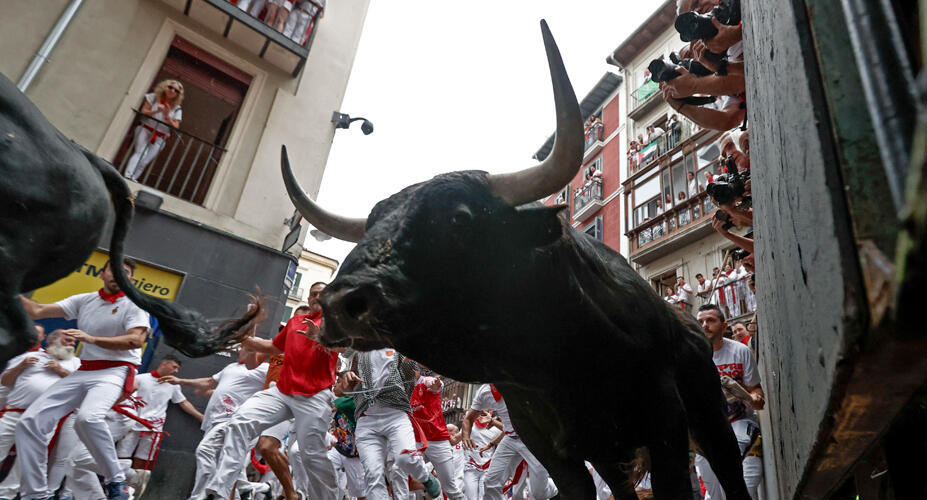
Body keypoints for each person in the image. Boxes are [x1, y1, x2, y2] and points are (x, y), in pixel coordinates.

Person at [16, 258, 149, 500]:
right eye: (114, 270)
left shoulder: (134, 304)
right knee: (30, 422)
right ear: (102, 273)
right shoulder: (85, 300)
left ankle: (116, 480)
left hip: (115, 370)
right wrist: (9, 288)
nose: (118, 275)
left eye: (125, 273)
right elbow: (37, 310)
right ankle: (34, 494)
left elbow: (136, 340)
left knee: (87, 418)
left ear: (130, 280)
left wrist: (91, 339)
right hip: (85, 371)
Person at [204, 282, 339, 500]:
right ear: (308, 299)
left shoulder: (335, 322)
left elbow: (341, 347)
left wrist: (319, 337)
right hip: (283, 391)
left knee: (311, 455)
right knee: (240, 421)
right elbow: (271, 348)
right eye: (313, 294)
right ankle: (219, 490)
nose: (317, 297)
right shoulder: (295, 322)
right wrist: (240, 337)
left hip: (313, 396)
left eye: (322, 294)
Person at [160, 347, 270, 500]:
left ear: (254, 352)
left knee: (205, 451)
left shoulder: (264, 369)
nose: (239, 351)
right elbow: (209, 382)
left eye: (244, 349)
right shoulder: (231, 367)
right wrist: (181, 381)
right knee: (226, 468)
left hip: (234, 421)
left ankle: (200, 496)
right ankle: (246, 490)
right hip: (215, 421)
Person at [338, 347, 442, 500]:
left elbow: (423, 371)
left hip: (396, 416)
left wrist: (421, 358)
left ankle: (425, 477)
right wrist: (347, 378)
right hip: (367, 421)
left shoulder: (399, 345)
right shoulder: (354, 350)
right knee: (372, 475)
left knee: (405, 458)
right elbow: (344, 388)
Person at [695, 304, 765, 500]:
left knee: (734, 446)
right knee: (714, 491)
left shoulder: (740, 351)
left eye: (710, 320)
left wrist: (756, 398)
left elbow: (755, 390)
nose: (704, 325)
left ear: (724, 324)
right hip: (706, 428)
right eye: (700, 321)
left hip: (739, 421)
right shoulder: (691, 357)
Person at [0, 329, 80, 497]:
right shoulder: (25, 357)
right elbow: (5, 382)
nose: (72, 344)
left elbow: (80, 388)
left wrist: (60, 370)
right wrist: (21, 367)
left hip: (44, 419)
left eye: (74, 342)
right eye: (68, 340)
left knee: (28, 459)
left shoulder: (76, 364)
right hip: (15, 413)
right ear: (53, 340)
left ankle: (6, 494)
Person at [115, 355, 202, 494]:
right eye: (174, 367)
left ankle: (133, 492)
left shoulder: (174, 385)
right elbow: (125, 396)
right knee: (121, 457)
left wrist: (200, 417)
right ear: (164, 364)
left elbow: (183, 402)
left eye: (178, 368)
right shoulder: (141, 378)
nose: (176, 371)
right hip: (132, 425)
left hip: (153, 429)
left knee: (143, 462)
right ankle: (117, 488)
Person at [462, 384, 558, 500]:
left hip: (532, 439)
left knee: (538, 494)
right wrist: (466, 436)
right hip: (509, 440)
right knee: (490, 483)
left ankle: (557, 485)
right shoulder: (484, 391)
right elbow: (468, 418)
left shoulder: (518, 382)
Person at [410, 369, 466, 499]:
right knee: (401, 476)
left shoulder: (425, 381)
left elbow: (437, 384)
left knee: (450, 489)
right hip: (418, 441)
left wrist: (437, 384)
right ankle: (428, 485)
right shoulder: (403, 388)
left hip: (438, 442)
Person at [124, 80, 184, 181]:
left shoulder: (177, 108)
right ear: (164, 87)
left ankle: (133, 178)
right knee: (140, 152)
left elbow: (176, 125)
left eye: (176, 91)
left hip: (160, 136)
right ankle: (127, 175)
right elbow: (144, 111)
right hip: (145, 128)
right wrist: (156, 111)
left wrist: (166, 116)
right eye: (170, 87)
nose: (172, 91)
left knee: (145, 161)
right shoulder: (153, 97)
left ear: (178, 95)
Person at [460, 410, 502, 499]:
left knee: (484, 496)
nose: (481, 415)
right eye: (480, 412)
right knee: (471, 497)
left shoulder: (496, 428)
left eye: (485, 412)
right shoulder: (468, 425)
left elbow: (508, 432)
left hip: (488, 469)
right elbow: (457, 440)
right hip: (470, 467)